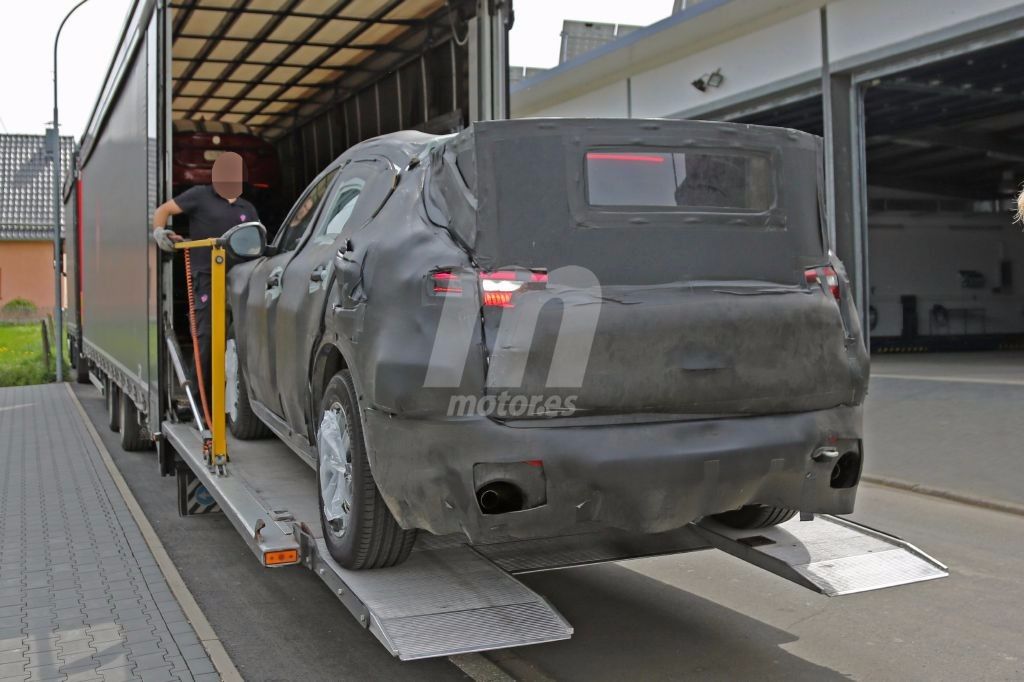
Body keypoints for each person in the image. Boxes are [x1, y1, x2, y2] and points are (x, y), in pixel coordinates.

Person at [152, 152, 258, 414]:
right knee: (209, 337)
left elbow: (257, 242)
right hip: (208, 279)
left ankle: (236, 404)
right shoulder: (200, 195)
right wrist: (159, 231)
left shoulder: (247, 209)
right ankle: (199, 404)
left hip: (241, 281)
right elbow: (164, 210)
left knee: (240, 340)